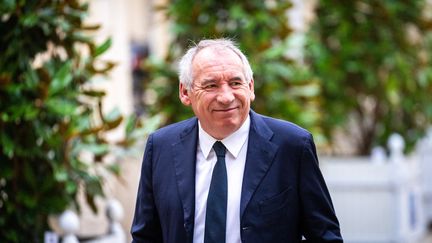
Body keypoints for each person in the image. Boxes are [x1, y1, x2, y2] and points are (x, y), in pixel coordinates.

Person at [131, 38, 343, 243]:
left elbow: (325, 236)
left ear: (250, 87)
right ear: (185, 92)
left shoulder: (292, 146)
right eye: (211, 85)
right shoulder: (161, 147)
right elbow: (146, 237)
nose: (226, 97)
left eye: (235, 83)